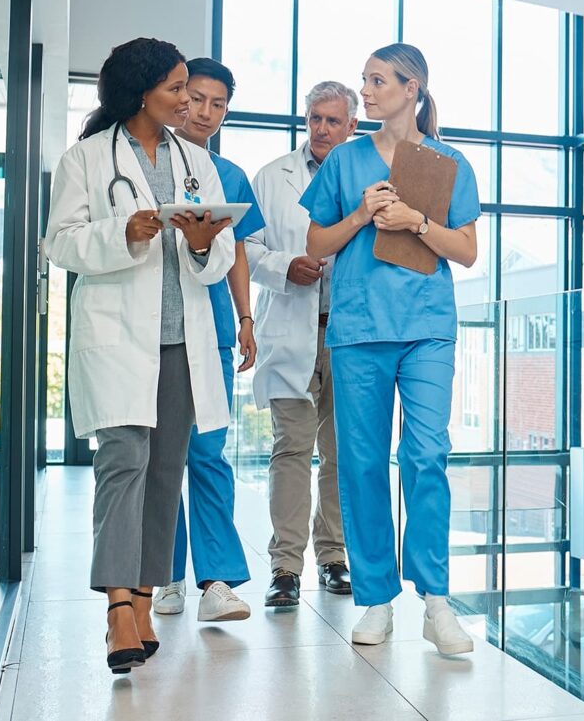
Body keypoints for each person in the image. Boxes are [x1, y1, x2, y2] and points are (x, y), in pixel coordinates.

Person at [46, 38, 235, 673]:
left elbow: (223, 256)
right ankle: (117, 607)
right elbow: (60, 244)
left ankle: (147, 597)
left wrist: (206, 242)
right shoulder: (87, 159)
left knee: (165, 469)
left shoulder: (195, 161)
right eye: (178, 89)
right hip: (119, 337)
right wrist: (118, 233)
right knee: (122, 460)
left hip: (182, 341)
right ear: (141, 91)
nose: (189, 101)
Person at [301, 43, 479, 655]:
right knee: (362, 465)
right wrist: (360, 215)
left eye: (378, 81)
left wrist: (415, 223)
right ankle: (377, 598)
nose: (367, 92)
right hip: (357, 330)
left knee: (427, 455)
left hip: (428, 326)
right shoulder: (346, 161)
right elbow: (318, 240)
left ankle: (435, 600)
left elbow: (466, 250)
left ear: (413, 88)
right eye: (365, 81)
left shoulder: (450, 161)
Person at [151, 57, 266, 622]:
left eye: (218, 104)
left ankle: (216, 581)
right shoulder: (142, 165)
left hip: (212, 326)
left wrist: (245, 319)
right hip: (150, 328)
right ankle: (166, 574)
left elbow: (239, 251)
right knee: (159, 454)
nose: (205, 112)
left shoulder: (229, 175)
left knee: (207, 451)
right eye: (195, 98)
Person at [248, 81, 358, 606]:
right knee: (291, 449)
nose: (321, 129)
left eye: (333, 121)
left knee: (340, 454)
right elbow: (243, 248)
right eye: (315, 118)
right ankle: (285, 567)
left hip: (350, 337)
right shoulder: (272, 178)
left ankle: (333, 557)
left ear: (352, 126)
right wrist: (281, 265)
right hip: (292, 330)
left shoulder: (368, 176)